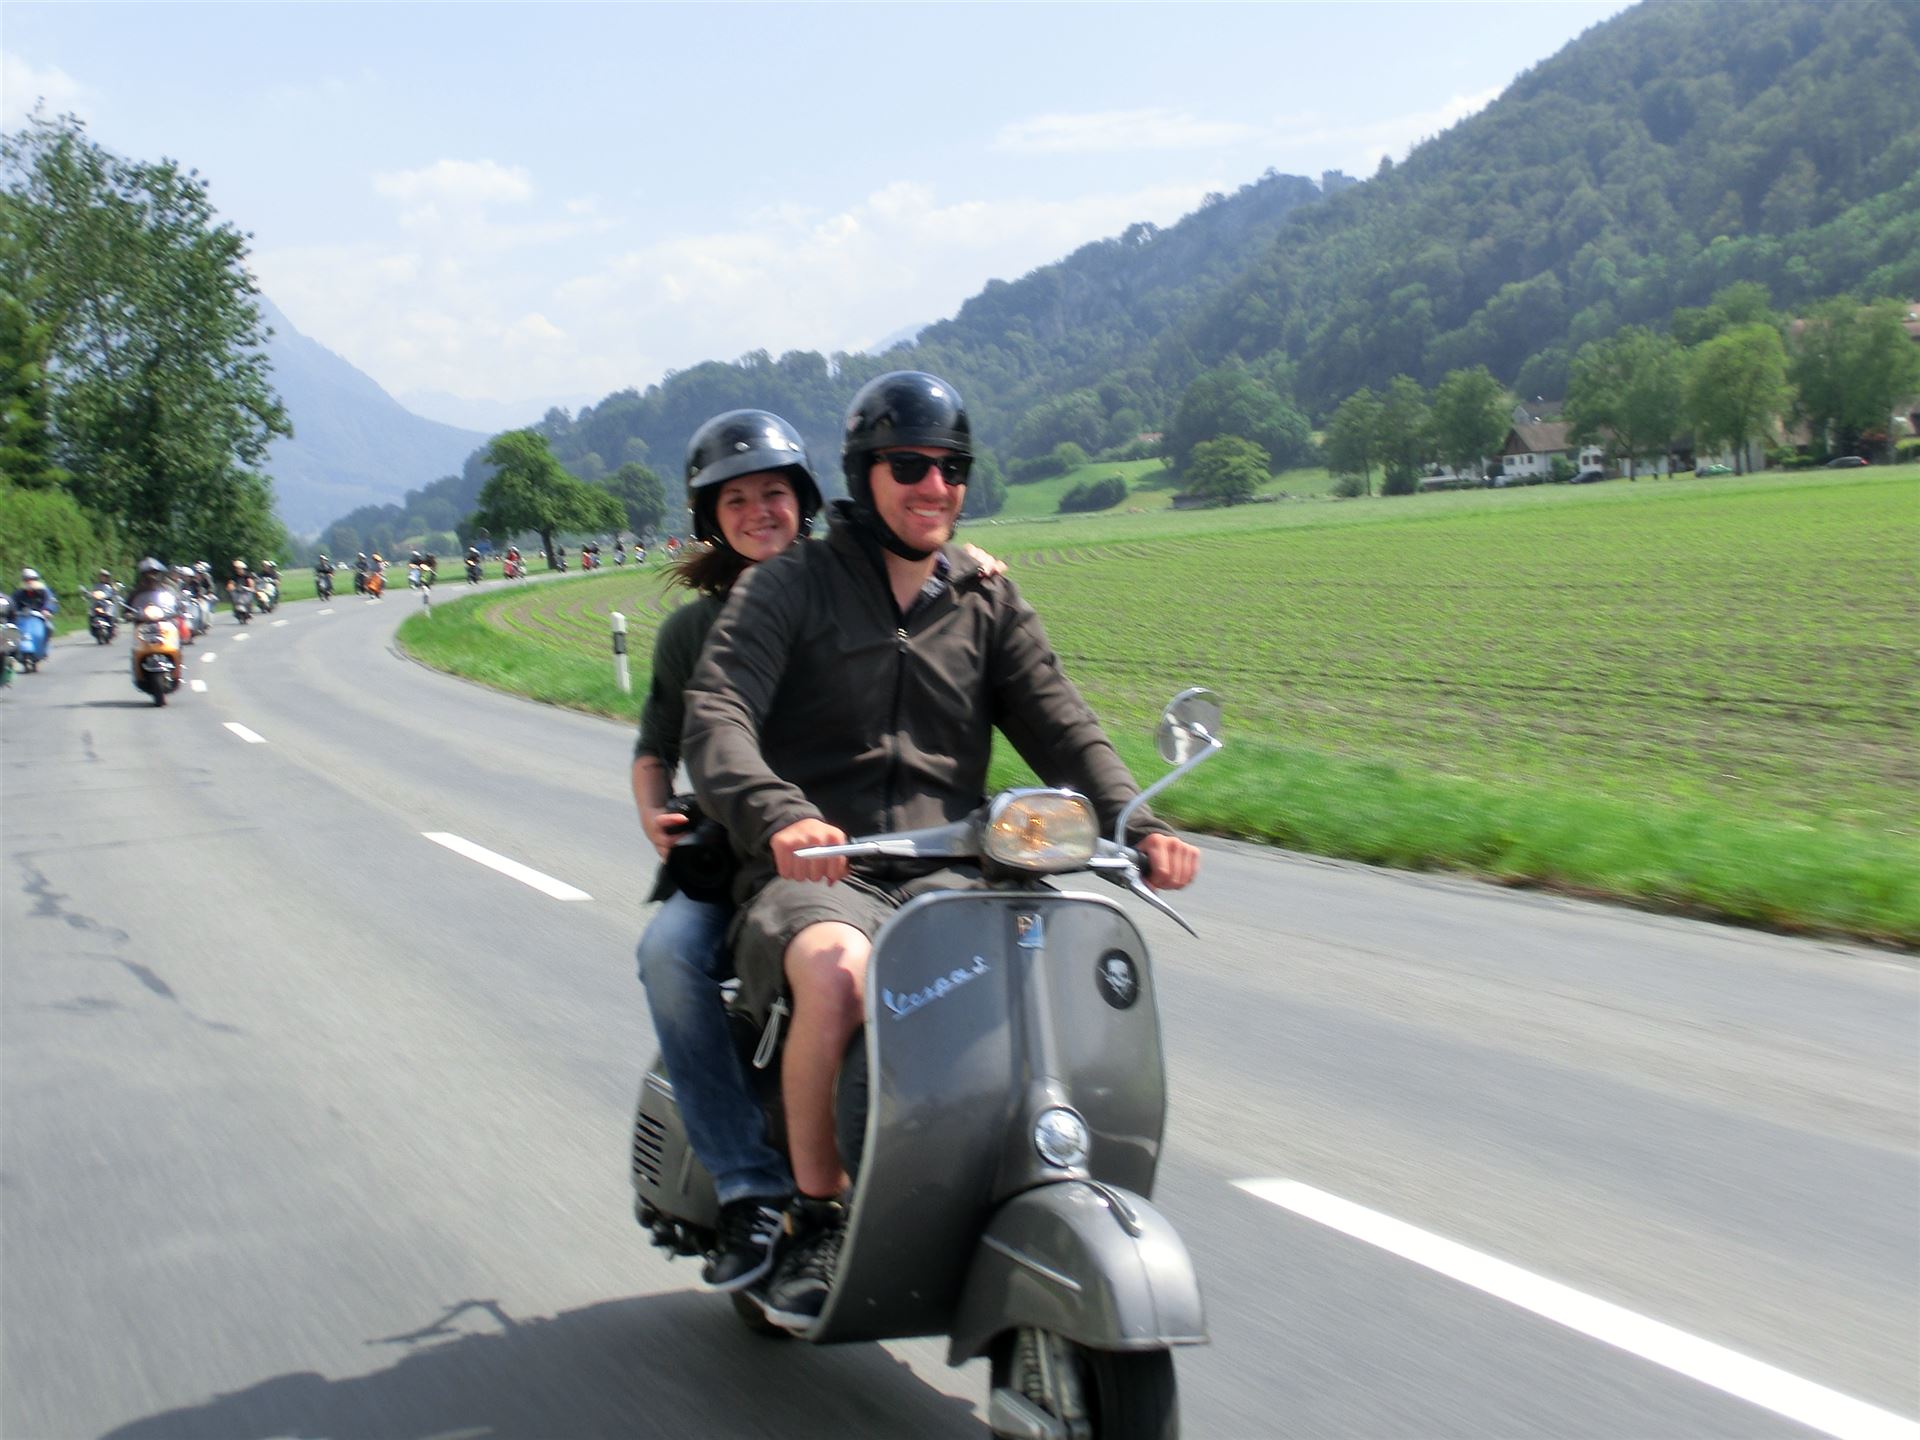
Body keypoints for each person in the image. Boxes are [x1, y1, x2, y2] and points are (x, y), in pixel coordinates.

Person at [683, 371, 1200, 1326]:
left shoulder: (983, 596)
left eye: (952, 467)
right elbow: (717, 714)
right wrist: (779, 813)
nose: (935, 486)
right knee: (837, 971)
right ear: (865, 474)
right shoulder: (789, 586)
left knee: (1045, 962)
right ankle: (814, 1213)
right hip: (822, 871)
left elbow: (1062, 724)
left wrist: (1139, 823)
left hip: (955, 867)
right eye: (911, 465)